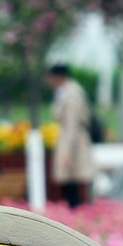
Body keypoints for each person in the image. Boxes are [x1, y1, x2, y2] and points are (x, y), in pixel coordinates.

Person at [46, 63, 95, 207]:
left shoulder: (72, 95)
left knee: (72, 183)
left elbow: (72, 125)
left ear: (58, 77)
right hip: (69, 138)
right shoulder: (64, 92)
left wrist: (67, 153)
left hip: (73, 141)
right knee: (69, 183)